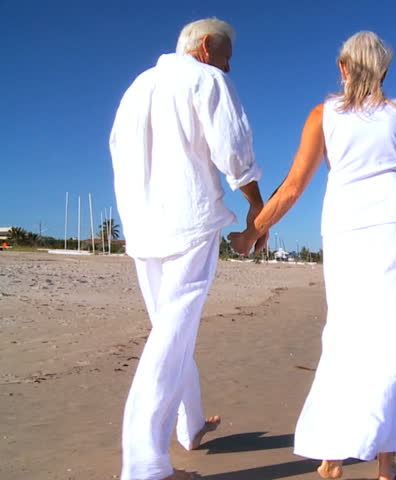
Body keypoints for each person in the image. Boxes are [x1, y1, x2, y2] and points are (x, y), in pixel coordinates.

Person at [228, 31, 396, 480]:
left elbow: (292, 187)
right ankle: (386, 465)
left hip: (346, 230)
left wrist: (254, 232)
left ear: (343, 68)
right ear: (384, 70)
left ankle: (334, 451)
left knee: (348, 336)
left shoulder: (323, 115)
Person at [109, 18, 265, 480]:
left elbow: (117, 148)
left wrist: (133, 211)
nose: (229, 63)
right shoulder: (206, 78)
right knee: (171, 336)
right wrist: (257, 208)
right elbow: (233, 148)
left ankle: (190, 423)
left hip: (143, 223)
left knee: (171, 328)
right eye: (226, 52)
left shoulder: (138, 86)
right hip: (188, 220)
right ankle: (145, 467)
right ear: (204, 46)